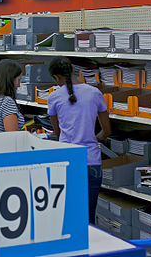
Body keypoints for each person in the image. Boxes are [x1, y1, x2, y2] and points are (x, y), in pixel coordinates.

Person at [47, 57, 111, 223]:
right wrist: (96, 138)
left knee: (69, 215)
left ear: (56, 77)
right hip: (91, 161)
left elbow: (58, 131)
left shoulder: (54, 98)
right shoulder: (94, 93)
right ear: (74, 71)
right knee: (89, 217)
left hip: (66, 161)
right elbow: (107, 130)